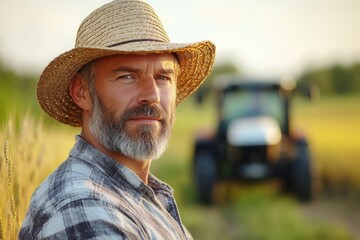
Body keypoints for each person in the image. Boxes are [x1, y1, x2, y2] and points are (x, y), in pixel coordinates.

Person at [19, 0, 215, 239]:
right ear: (82, 92)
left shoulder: (134, 193)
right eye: (127, 76)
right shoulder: (84, 208)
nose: (151, 96)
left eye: (163, 77)